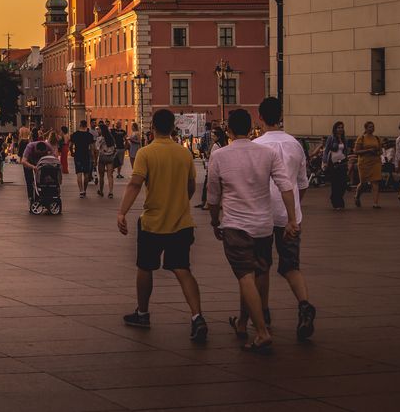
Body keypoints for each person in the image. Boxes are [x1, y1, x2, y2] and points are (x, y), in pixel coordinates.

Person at [206, 109, 298, 353]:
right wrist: (291, 219)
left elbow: (213, 196)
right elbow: (285, 186)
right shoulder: (266, 153)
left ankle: (261, 332)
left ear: (229, 130)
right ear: (250, 128)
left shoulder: (220, 156)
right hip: (263, 226)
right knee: (257, 272)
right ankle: (243, 322)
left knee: (245, 276)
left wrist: (214, 221)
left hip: (236, 225)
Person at [117, 108, 207, 343]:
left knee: (145, 267)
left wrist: (122, 212)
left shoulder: (147, 153)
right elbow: (190, 187)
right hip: (181, 222)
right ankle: (197, 316)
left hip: (153, 223)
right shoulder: (184, 154)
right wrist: (180, 203)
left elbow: (135, 184)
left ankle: (143, 313)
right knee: (182, 269)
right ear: (173, 128)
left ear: (153, 128)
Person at [253, 97, 317, 342]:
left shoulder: (256, 145)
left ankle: (264, 312)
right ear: (281, 116)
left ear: (260, 117)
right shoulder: (295, 145)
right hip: (290, 215)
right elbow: (302, 184)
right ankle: (304, 305)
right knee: (291, 265)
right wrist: (295, 210)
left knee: (261, 265)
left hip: (263, 214)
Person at [353, 121, 383, 209]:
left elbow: (381, 150)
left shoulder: (377, 138)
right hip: (364, 162)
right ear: (366, 128)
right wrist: (368, 150)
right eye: (370, 127)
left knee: (375, 181)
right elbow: (356, 151)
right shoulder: (361, 138)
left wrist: (377, 152)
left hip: (375, 161)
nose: (372, 128)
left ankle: (375, 203)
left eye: (373, 127)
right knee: (363, 183)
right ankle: (357, 196)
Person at [322, 122, 350, 210]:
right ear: (335, 129)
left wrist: (347, 161)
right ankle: (338, 203)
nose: (340, 129)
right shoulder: (331, 138)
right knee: (335, 183)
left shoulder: (344, 138)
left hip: (342, 163)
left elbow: (345, 151)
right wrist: (325, 162)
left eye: (342, 127)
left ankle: (336, 197)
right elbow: (326, 151)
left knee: (343, 183)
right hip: (333, 163)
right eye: (338, 127)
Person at [70, 122, 94, 198]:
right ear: (86, 126)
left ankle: (81, 191)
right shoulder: (89, 135)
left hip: (78, 155)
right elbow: (92, 147)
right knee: (86, 174)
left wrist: (72, 152)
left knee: (79, 173)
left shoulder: (75, 134)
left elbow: (70, 145)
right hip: (86, 155)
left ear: (80, 125)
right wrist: (93, 157)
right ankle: (85, 190)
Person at [95, 123, 117, 198]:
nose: (98, 130)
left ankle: (101, 191)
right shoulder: (111, 138)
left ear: (102, 130)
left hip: (102, 157)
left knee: (101, 175)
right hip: (110, 157)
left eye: (99, 129)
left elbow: (97, 148)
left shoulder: (100, 138)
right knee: (110, 175)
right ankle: (111, 192)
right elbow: (114, 148)